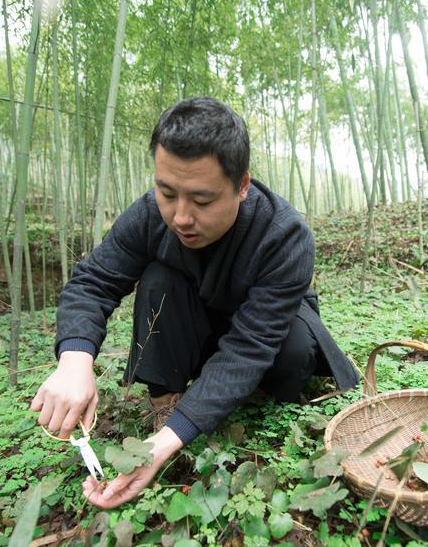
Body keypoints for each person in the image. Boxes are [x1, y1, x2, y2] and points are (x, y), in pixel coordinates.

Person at [29, 97, 358, 508]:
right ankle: (168, 400)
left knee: (293, 352)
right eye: (167, 192)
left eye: (201, 201)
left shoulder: (285, 236)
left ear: (242, 186)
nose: (180, 217)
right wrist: (74, 360)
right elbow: (94, 280)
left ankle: (218, 394)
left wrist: (165, 444)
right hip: (195, 319)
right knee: (158, 279)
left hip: (264, 331)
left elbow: (249, 347)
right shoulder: (151, 214)